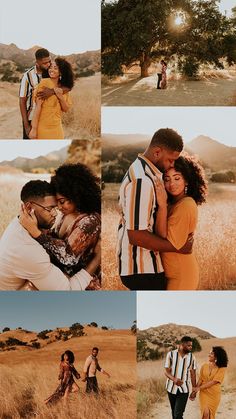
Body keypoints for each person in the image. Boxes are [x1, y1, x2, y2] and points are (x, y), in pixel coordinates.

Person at [118, 128, 194, 291]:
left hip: (147, 267)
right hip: (142, 269)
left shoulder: (146, 173)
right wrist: (177, 246)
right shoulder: (142, 180)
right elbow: (136, 235)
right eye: (171, 160)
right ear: (157, 152)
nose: (172, 164)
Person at [0, 180, 100, 290]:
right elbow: (68, 291)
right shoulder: (28, 250)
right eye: (50, 209)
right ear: (29, 208)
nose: (55, 213)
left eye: (55, 208)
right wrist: (97, 258)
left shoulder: (19, 222)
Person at [19, 164, 101, 283]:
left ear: (76, 196)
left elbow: (68, 257)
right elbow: (53, 239)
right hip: (58, 275)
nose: (58, 207)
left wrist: (36, 232)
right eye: (57, 202)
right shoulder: (66, 213)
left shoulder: (90, 221)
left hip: (81, 283)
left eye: (62, 201)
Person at [154, 154, 207, 290]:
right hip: (170, 273)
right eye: (167, 179)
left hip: (181, 275)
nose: (172, 184)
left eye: (177, 178)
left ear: (187, 180)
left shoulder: (186, 205)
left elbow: (163, 240)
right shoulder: (173, 203)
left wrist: (162, 206)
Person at [29, 58, 74, 139]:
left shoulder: (64, 88)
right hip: (42, 128)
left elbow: (66, 109)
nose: (51, 70)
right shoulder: (44, 83)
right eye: (50, 67)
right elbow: (37, 107)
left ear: (61, 72)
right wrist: (34, 129)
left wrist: (60, 96)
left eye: (55, 68)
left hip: (57, 128)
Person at [19, 48, 51, 139]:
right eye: (45, 63)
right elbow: (22, 100)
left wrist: (52, 91)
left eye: (49, 61)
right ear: (37, 62)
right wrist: (26, 125)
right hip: (31, 118)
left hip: (48, 118)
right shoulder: (28, 76)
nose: (48, 64)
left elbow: (67, 86)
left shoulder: (52, 71)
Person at [189, 347, 228, 419]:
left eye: (211, 353)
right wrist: (194, 392)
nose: (209, 355)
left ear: (217, 356)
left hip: (214, 394)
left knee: (210, 415)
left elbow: (214, 382)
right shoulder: (204, 366)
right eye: (209, 353)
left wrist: (199, 388)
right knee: (205, 413)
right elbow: (201, 379)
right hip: (204, 393)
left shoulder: (222, 368)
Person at [165, 336, 197, 419]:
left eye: (191, 346)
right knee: (174, 413)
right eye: (188, 345)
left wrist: (194, 390)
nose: (191, 347)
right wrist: (174, 379)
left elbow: (193, 374)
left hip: (184, 389)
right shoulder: (171, 354)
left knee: (178, 414)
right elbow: (166, 372)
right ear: (182, 345)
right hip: (171, 388)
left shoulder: (192, 357)